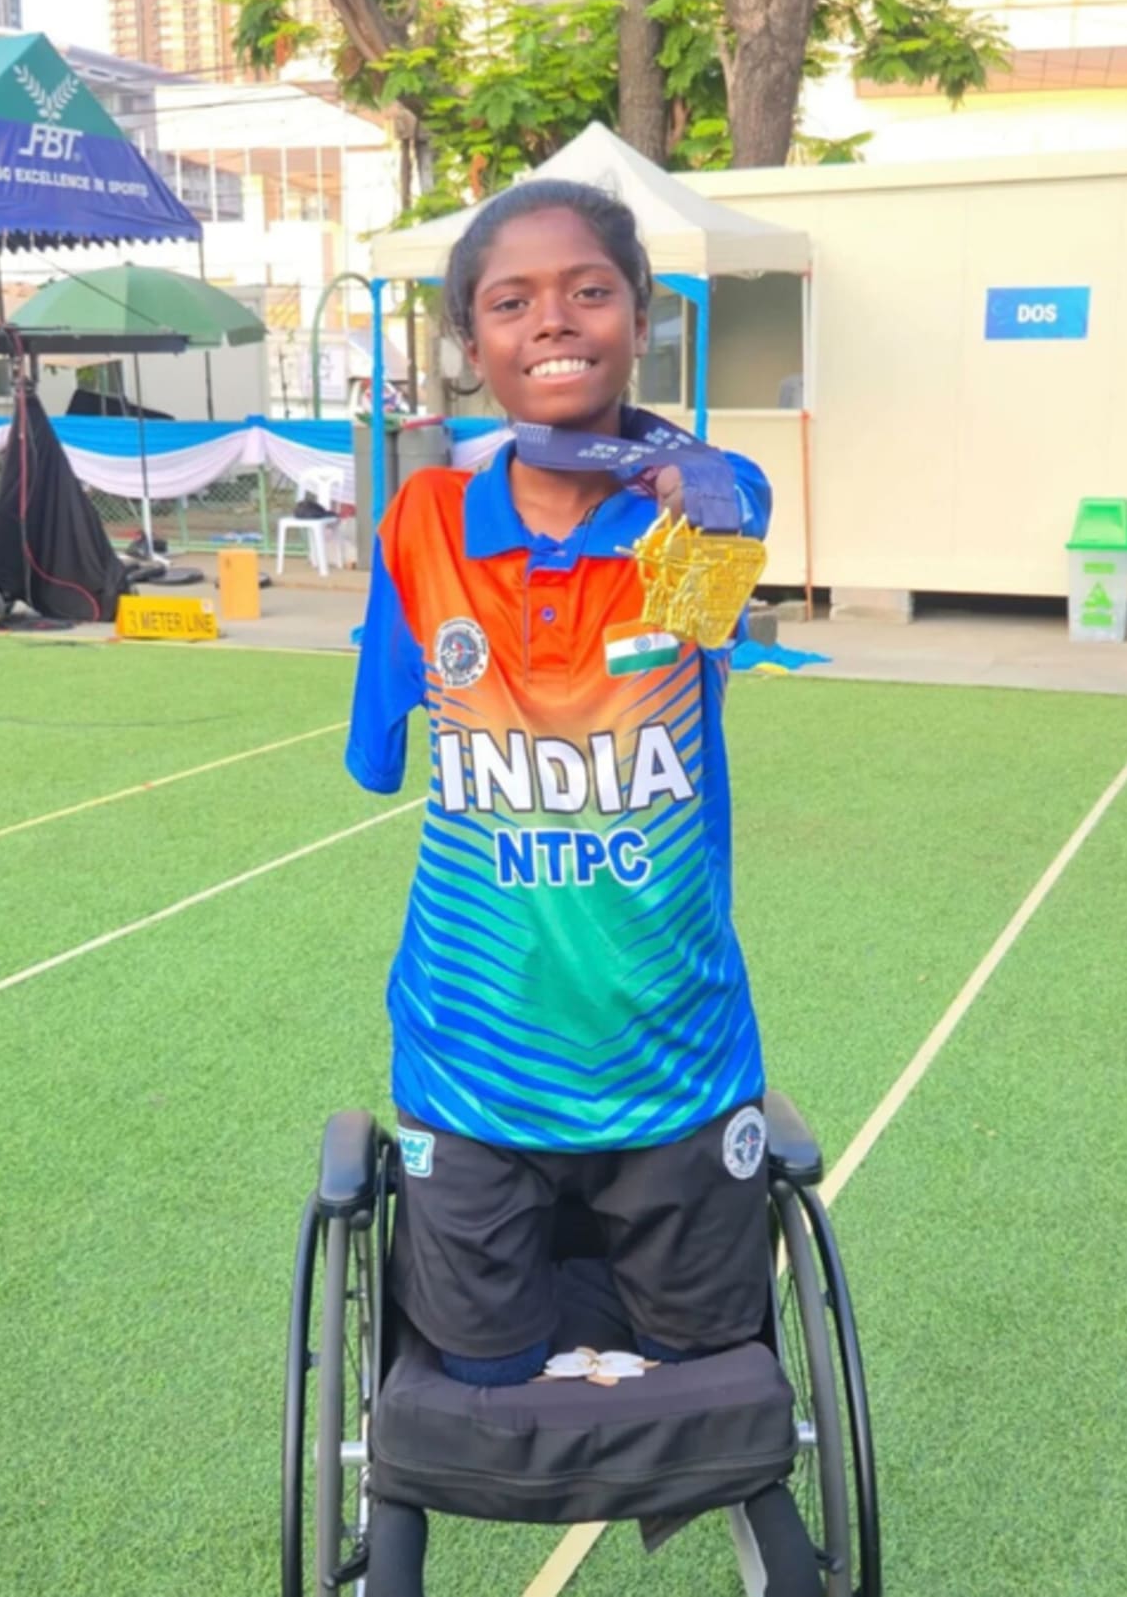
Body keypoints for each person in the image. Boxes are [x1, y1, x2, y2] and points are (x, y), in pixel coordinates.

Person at [347, 180, 774, 1392]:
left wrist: (702, 497)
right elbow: (385, 741)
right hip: (473, 1050)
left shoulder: (697, 518)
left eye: (590, 291)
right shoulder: (422, 522)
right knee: (479, 1372)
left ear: (642, 318)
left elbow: (729, 517)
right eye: (511, 301)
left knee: (707, 1367)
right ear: (470, 346)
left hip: (674, 1050)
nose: (553, 321)